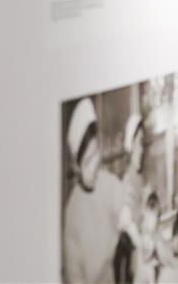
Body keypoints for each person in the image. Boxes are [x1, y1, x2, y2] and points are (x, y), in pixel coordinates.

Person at [63, 98, 127, 284]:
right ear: (76, 166)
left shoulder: (108, 183)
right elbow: (74, 277)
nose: (94, 167)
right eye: (87, 161)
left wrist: (126, 212)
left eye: (96, 154)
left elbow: (123, 197)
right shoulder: (73, 213)